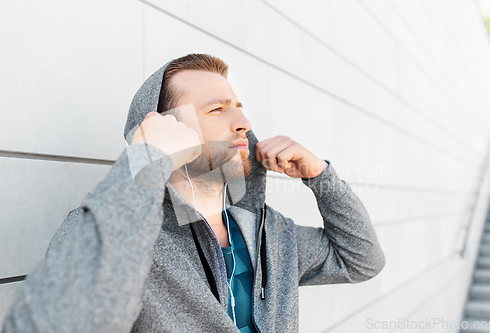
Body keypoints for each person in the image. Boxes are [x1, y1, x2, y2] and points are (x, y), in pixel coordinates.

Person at [1, 54, 385, 333]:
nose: (244, 123)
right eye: (217, 110)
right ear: (167, 130)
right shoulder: (122, 235)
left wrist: (321, 177)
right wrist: (146, 160)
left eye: (239, 107)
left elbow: (362, 261)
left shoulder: (270, 232)